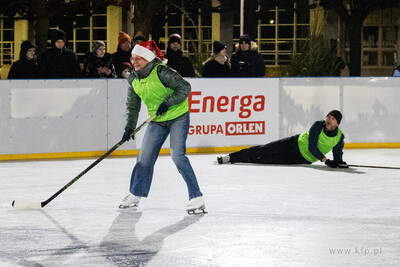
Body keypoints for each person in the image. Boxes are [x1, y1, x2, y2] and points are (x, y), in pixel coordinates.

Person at [119, 40, 205, 213]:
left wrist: (167, 102)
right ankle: (136, 193)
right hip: (157, 121)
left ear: (149, 59)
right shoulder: (133, 78)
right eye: (133, 58)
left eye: (139, 58)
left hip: (178, 117)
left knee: (177, 156)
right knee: (144, 158)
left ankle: (197, 197)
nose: (134, 61)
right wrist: (129, 127)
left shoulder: (162, 72)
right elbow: (133, 106)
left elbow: (184, 87)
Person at [217, 110, 348, 169]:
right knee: (263, 150)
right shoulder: (318, 125)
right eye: (328, 117)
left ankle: (242, 159)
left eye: (333, 118)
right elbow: (312, 147)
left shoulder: (339, 137)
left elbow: (337, 154)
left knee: (265, 160)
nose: (329, 120)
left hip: (300, 159)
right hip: (292, 143)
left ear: (337, 124)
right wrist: (325, 161)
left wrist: (339, 162)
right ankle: (231, 157)